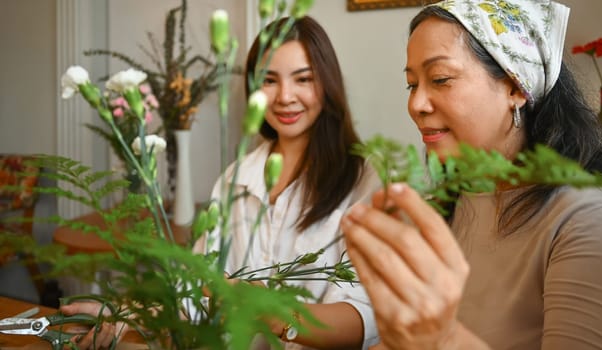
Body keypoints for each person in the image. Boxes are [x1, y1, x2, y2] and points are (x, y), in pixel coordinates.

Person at [61, 16, 380, 350]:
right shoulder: (234, 180)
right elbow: (198, 298)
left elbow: (365, 319)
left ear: (328, 84)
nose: (285, 96)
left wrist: (275, 314)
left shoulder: (363, 181)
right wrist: (123, 314)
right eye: (268, 80)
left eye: (304, 79)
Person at [340, 1, 602, 349]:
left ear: (516, 88)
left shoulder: (593, 221)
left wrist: (442, 339)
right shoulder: (447, 206)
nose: (416, 104)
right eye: (412, 85)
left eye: (440, 79)